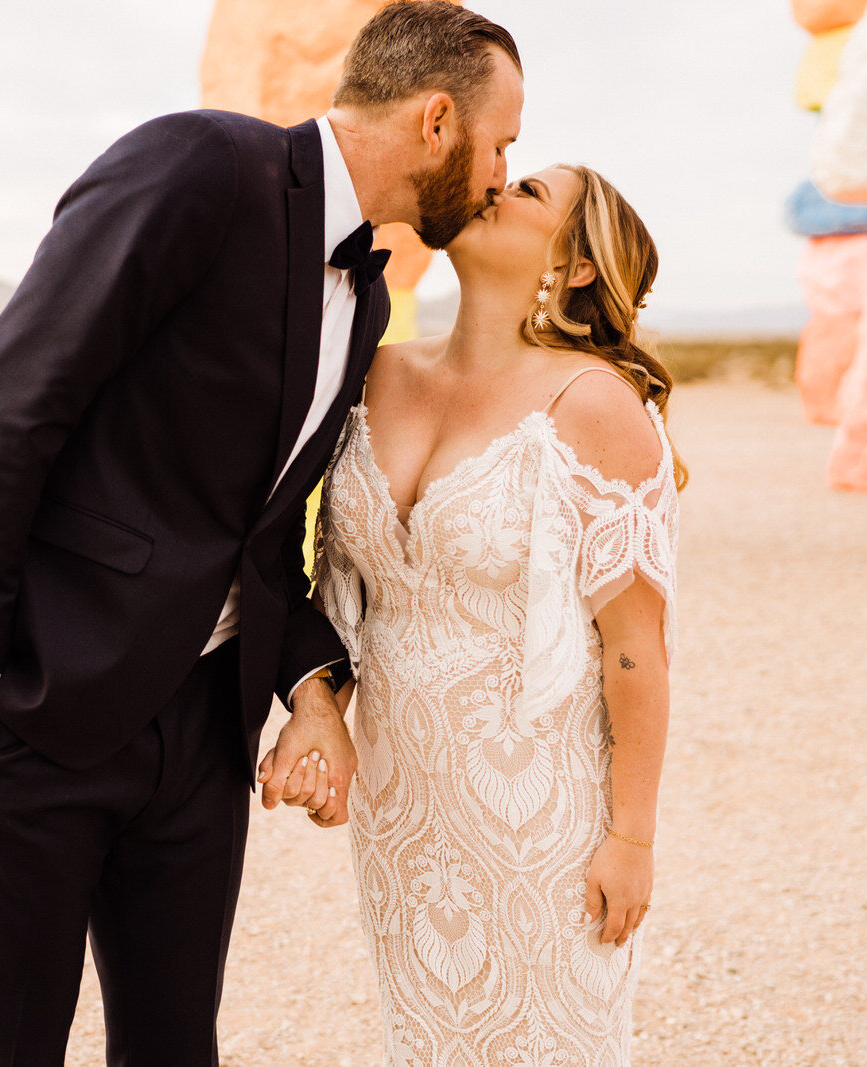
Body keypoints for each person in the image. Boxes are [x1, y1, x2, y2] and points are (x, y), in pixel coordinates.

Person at [0, 4, 523, 1063]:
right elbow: (15, 399)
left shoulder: (363, 299)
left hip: (202, 730)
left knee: (177, 1044)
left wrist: (311, 690)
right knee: (4, 1044)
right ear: (439, 120)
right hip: (39, 697)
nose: (504, 172)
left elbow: (264, 530)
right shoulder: (201, 163)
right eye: (503, 141)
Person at [303, 163, 683, 1065]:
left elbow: (637, 648)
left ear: (577, 266)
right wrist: (316, 707)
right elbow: (329, 576)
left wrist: (631, 837)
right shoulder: (375, 373)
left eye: (533, 194)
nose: (497, 188)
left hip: (542, 812)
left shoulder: (593, 405)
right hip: (405, 808)